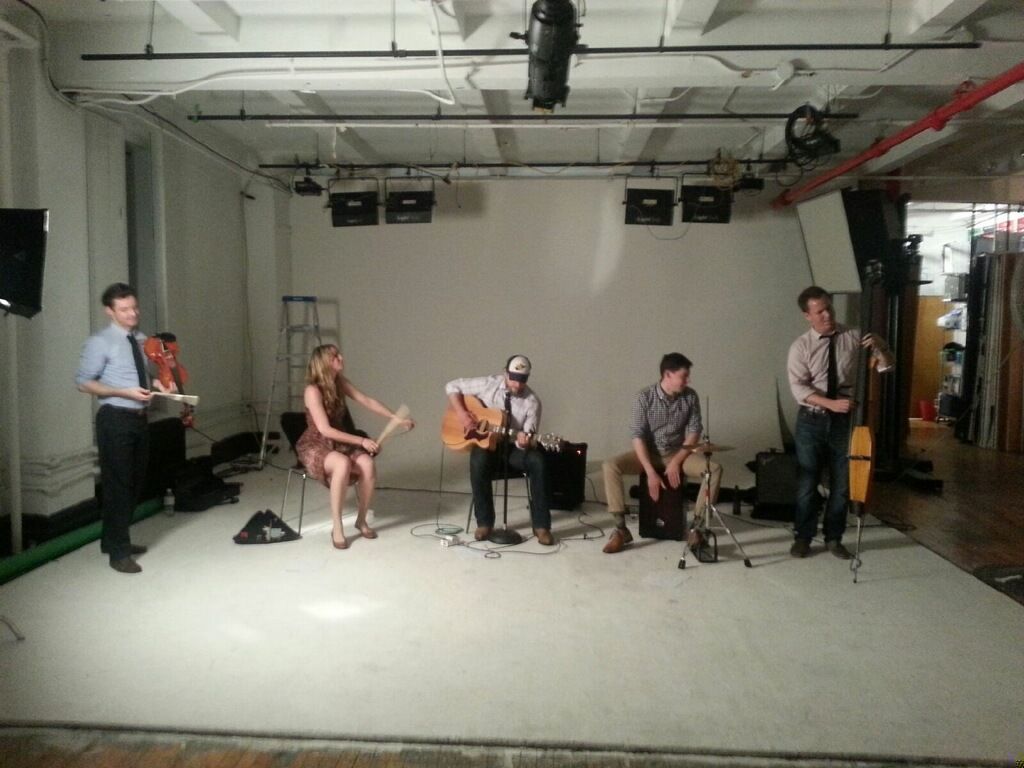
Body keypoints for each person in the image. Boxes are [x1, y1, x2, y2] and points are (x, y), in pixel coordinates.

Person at [787, 285, 894, 559]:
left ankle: (833, 538)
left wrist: (880, 347)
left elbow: (887, 366)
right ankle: (803, 537)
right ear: (807, 315)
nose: (827, 315)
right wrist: (830, 403)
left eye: (829, 308)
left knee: (842, 483)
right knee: (807, 483)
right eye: (820, 312)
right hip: (811, 420)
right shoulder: (801, 346)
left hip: (846, 421)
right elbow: (799, 389)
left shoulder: (855, 336)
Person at [76, 282, 172, 574]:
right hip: (115, 418)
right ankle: (119, 552)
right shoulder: (100, 342)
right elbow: (83, 383)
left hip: (139, 418)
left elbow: (139, 377)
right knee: (118, 486)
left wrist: (158, 384)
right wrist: (123, 392)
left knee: (135, 482)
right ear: (110, 311)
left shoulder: (140, 339)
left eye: (134, 307)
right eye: (124, 309)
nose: (132, 314)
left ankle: (112, 540)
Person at [601, 353, 721, 554]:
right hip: (649, 453)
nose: (688, 381)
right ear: (667, 375)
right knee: (610, 465)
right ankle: (621, 529)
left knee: (714, 470)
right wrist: (650, 472)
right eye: (684, 376)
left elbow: (694, 432)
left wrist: (676, 461)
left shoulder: (690, 396)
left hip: (678, 453)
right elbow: (637, 436)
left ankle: (697, 529)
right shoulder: (644, 397)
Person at [296, 344, 414, 549]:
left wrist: (396, 418)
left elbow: (366, 400)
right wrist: (361, 441)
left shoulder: (339, 382)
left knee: (367, 464)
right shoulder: (312, 391)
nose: (341, 357)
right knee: (342, 464)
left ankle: (361, 520)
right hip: (317, 443)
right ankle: (337, 526)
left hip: (340, 441)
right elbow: (325, 430)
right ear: (324, 362)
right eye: (335, 356)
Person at [444, 355, 555, 545]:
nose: (517, 385)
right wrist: (463, 414)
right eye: (513, 378)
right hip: (488, 447)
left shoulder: (532, 402)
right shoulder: (489, 384)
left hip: (512, 448)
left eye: (522, 380)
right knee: (478, 458)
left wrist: (523, 442)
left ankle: (541, 526)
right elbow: (452, 386)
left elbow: (528, 434)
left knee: (538, 460)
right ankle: (484, 523)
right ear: (505, 373)